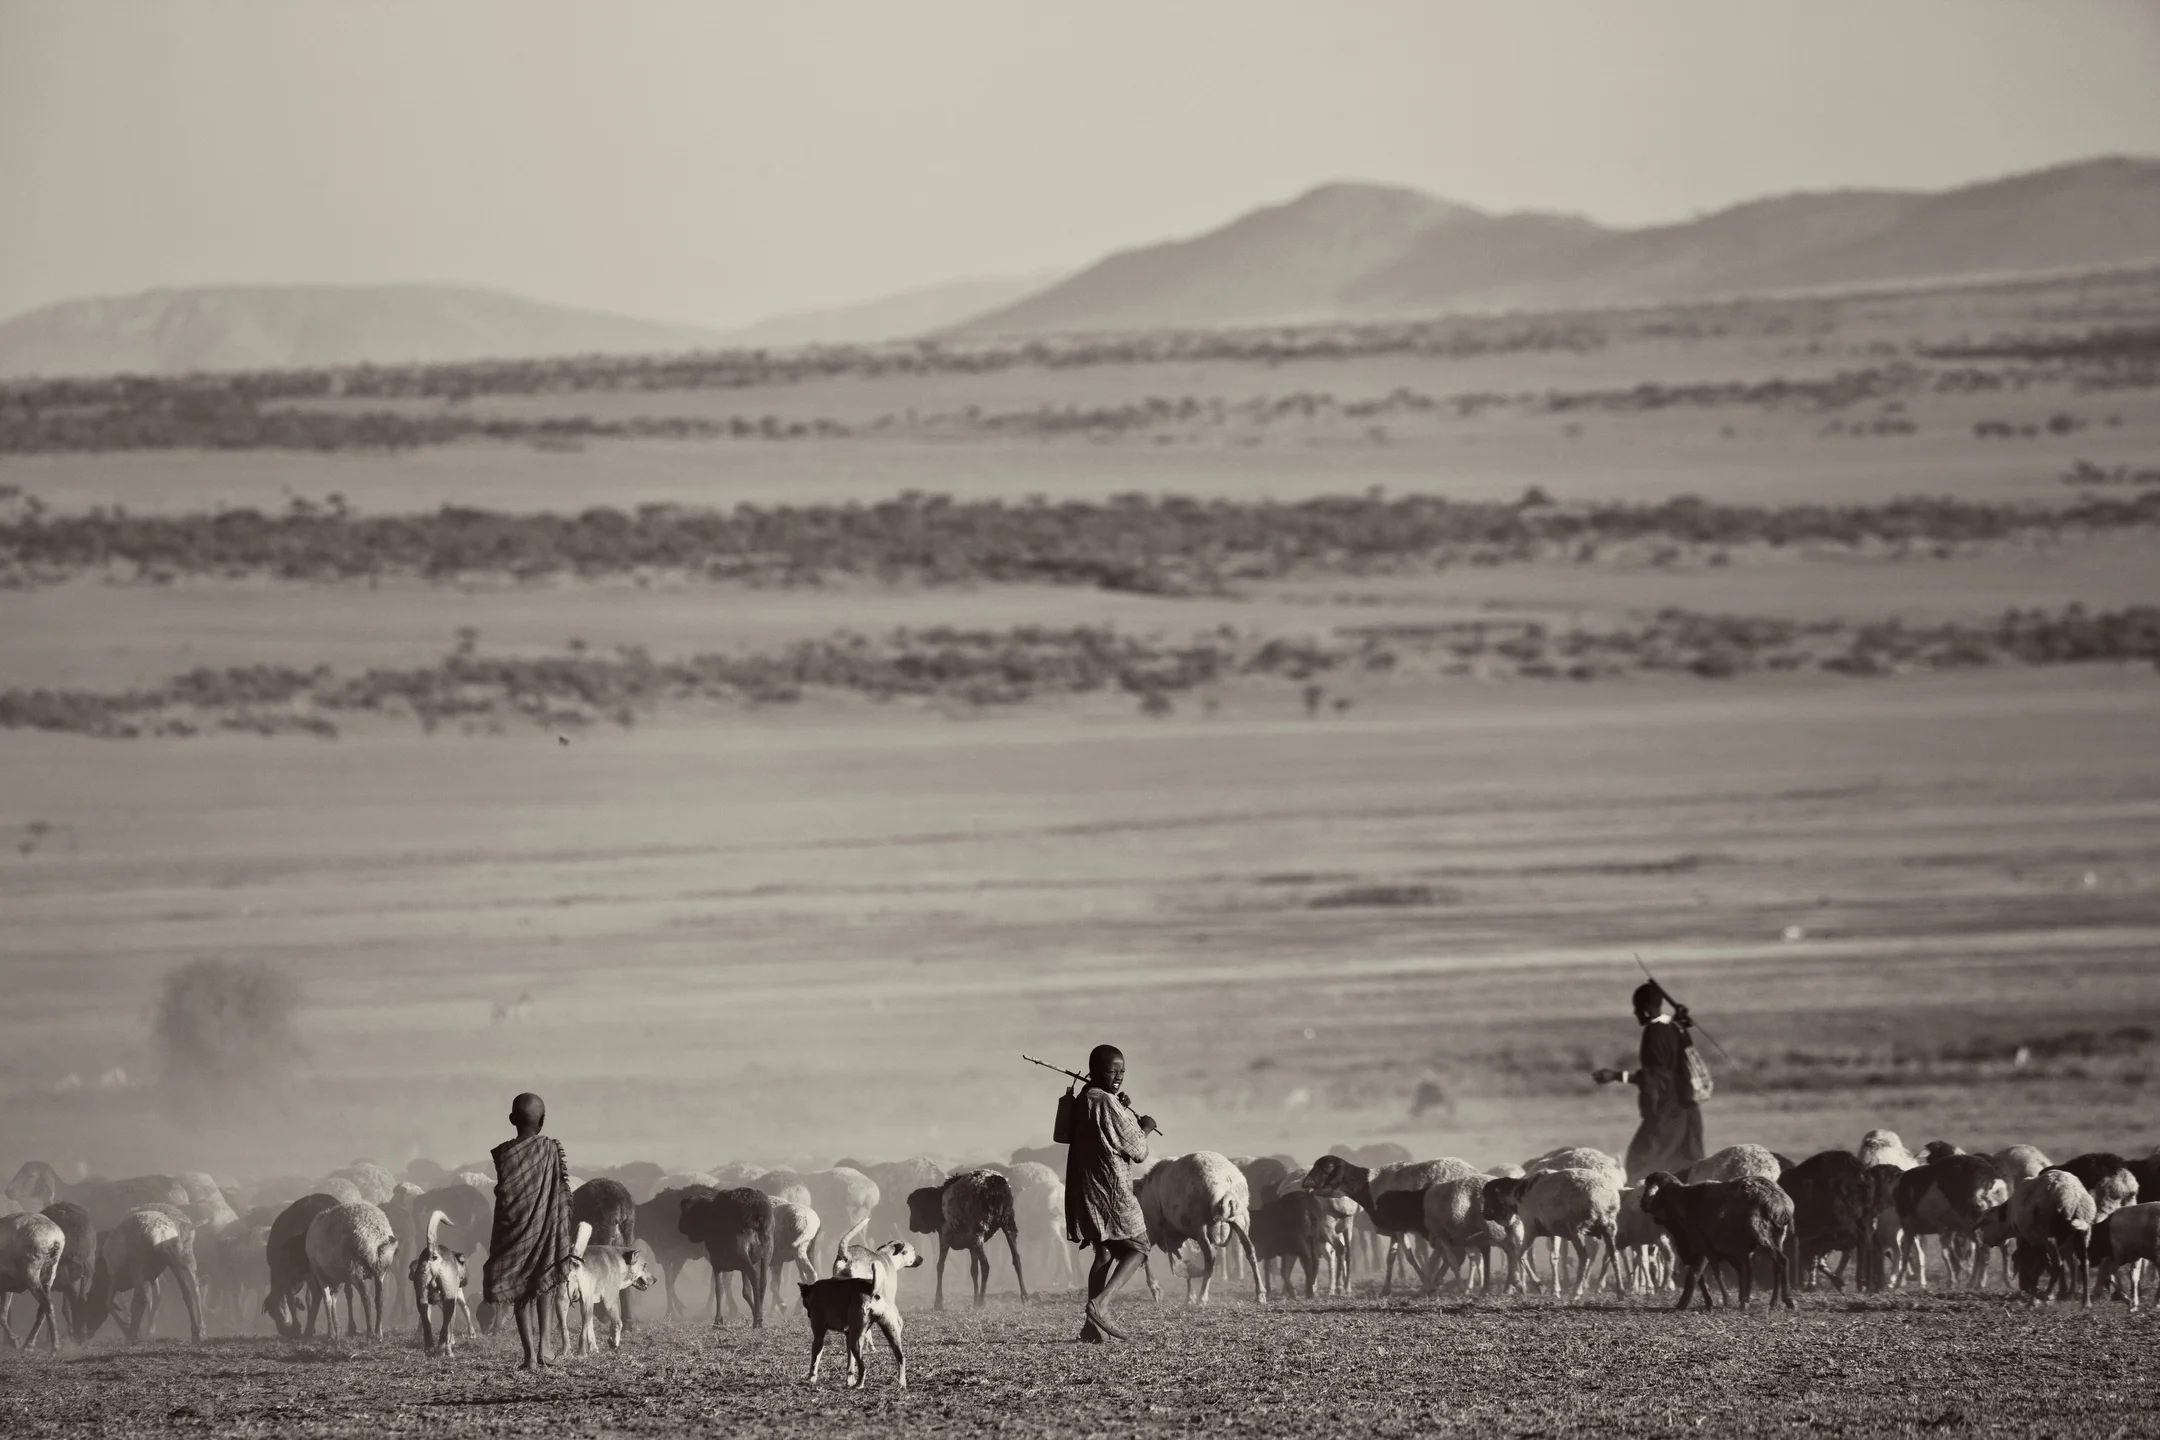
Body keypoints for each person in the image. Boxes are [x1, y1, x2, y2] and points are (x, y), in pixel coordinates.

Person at [1062, 1043, 1157, 1343]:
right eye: (1111, 1071)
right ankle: (1101, 1304)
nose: (1117, 1076)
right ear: (1095, 1071)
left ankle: (1091, 1329)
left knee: (1103, 1251)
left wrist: (1118, 1102)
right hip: (1112, 1189)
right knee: (1140, 1247)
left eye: (1122, 1071)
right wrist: (1145, 1127)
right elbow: (1137, 1150)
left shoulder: (1084, 1097)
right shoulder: (1104, 1102)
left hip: (1087, 1188)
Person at [484, 1091, 574, 1369]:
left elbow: (509, 1198)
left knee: (522, 1288)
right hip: (545, 1228)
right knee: (543, 1280)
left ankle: (528, 1356)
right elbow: (560, 1192)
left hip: (515, 1233)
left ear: (512, 1119)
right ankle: (545, 1348)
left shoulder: (506, 1155)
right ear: (543, 1120)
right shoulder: (548, 1149)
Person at [1593, 981, 1706, 1179]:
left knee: (1640, 1162)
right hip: (1687, 1110)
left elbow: (1657, 1076)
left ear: (1645, 1009)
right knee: (1682, 1166)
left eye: (1636, 1008)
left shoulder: (1655, 1032)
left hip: (1667, 1111)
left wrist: (1617, 1076)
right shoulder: (1676, 1027)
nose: (1635, 1013)